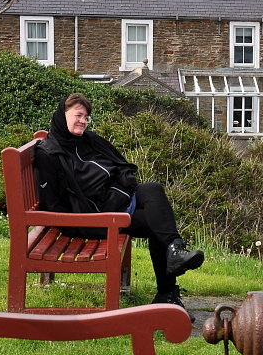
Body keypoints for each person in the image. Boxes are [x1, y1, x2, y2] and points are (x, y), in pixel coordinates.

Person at [34, 93, 204, 318]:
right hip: (90, 218)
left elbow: (116, 165)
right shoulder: (49, 153)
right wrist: (81, 219)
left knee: (153, 192)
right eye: (78, 116)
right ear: (61, 115)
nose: (83, 122)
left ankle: (173, 256)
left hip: (111, 205)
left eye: (86, 117)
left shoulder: (86, 142)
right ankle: (168, 289)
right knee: (157, 219)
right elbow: (53, 205)